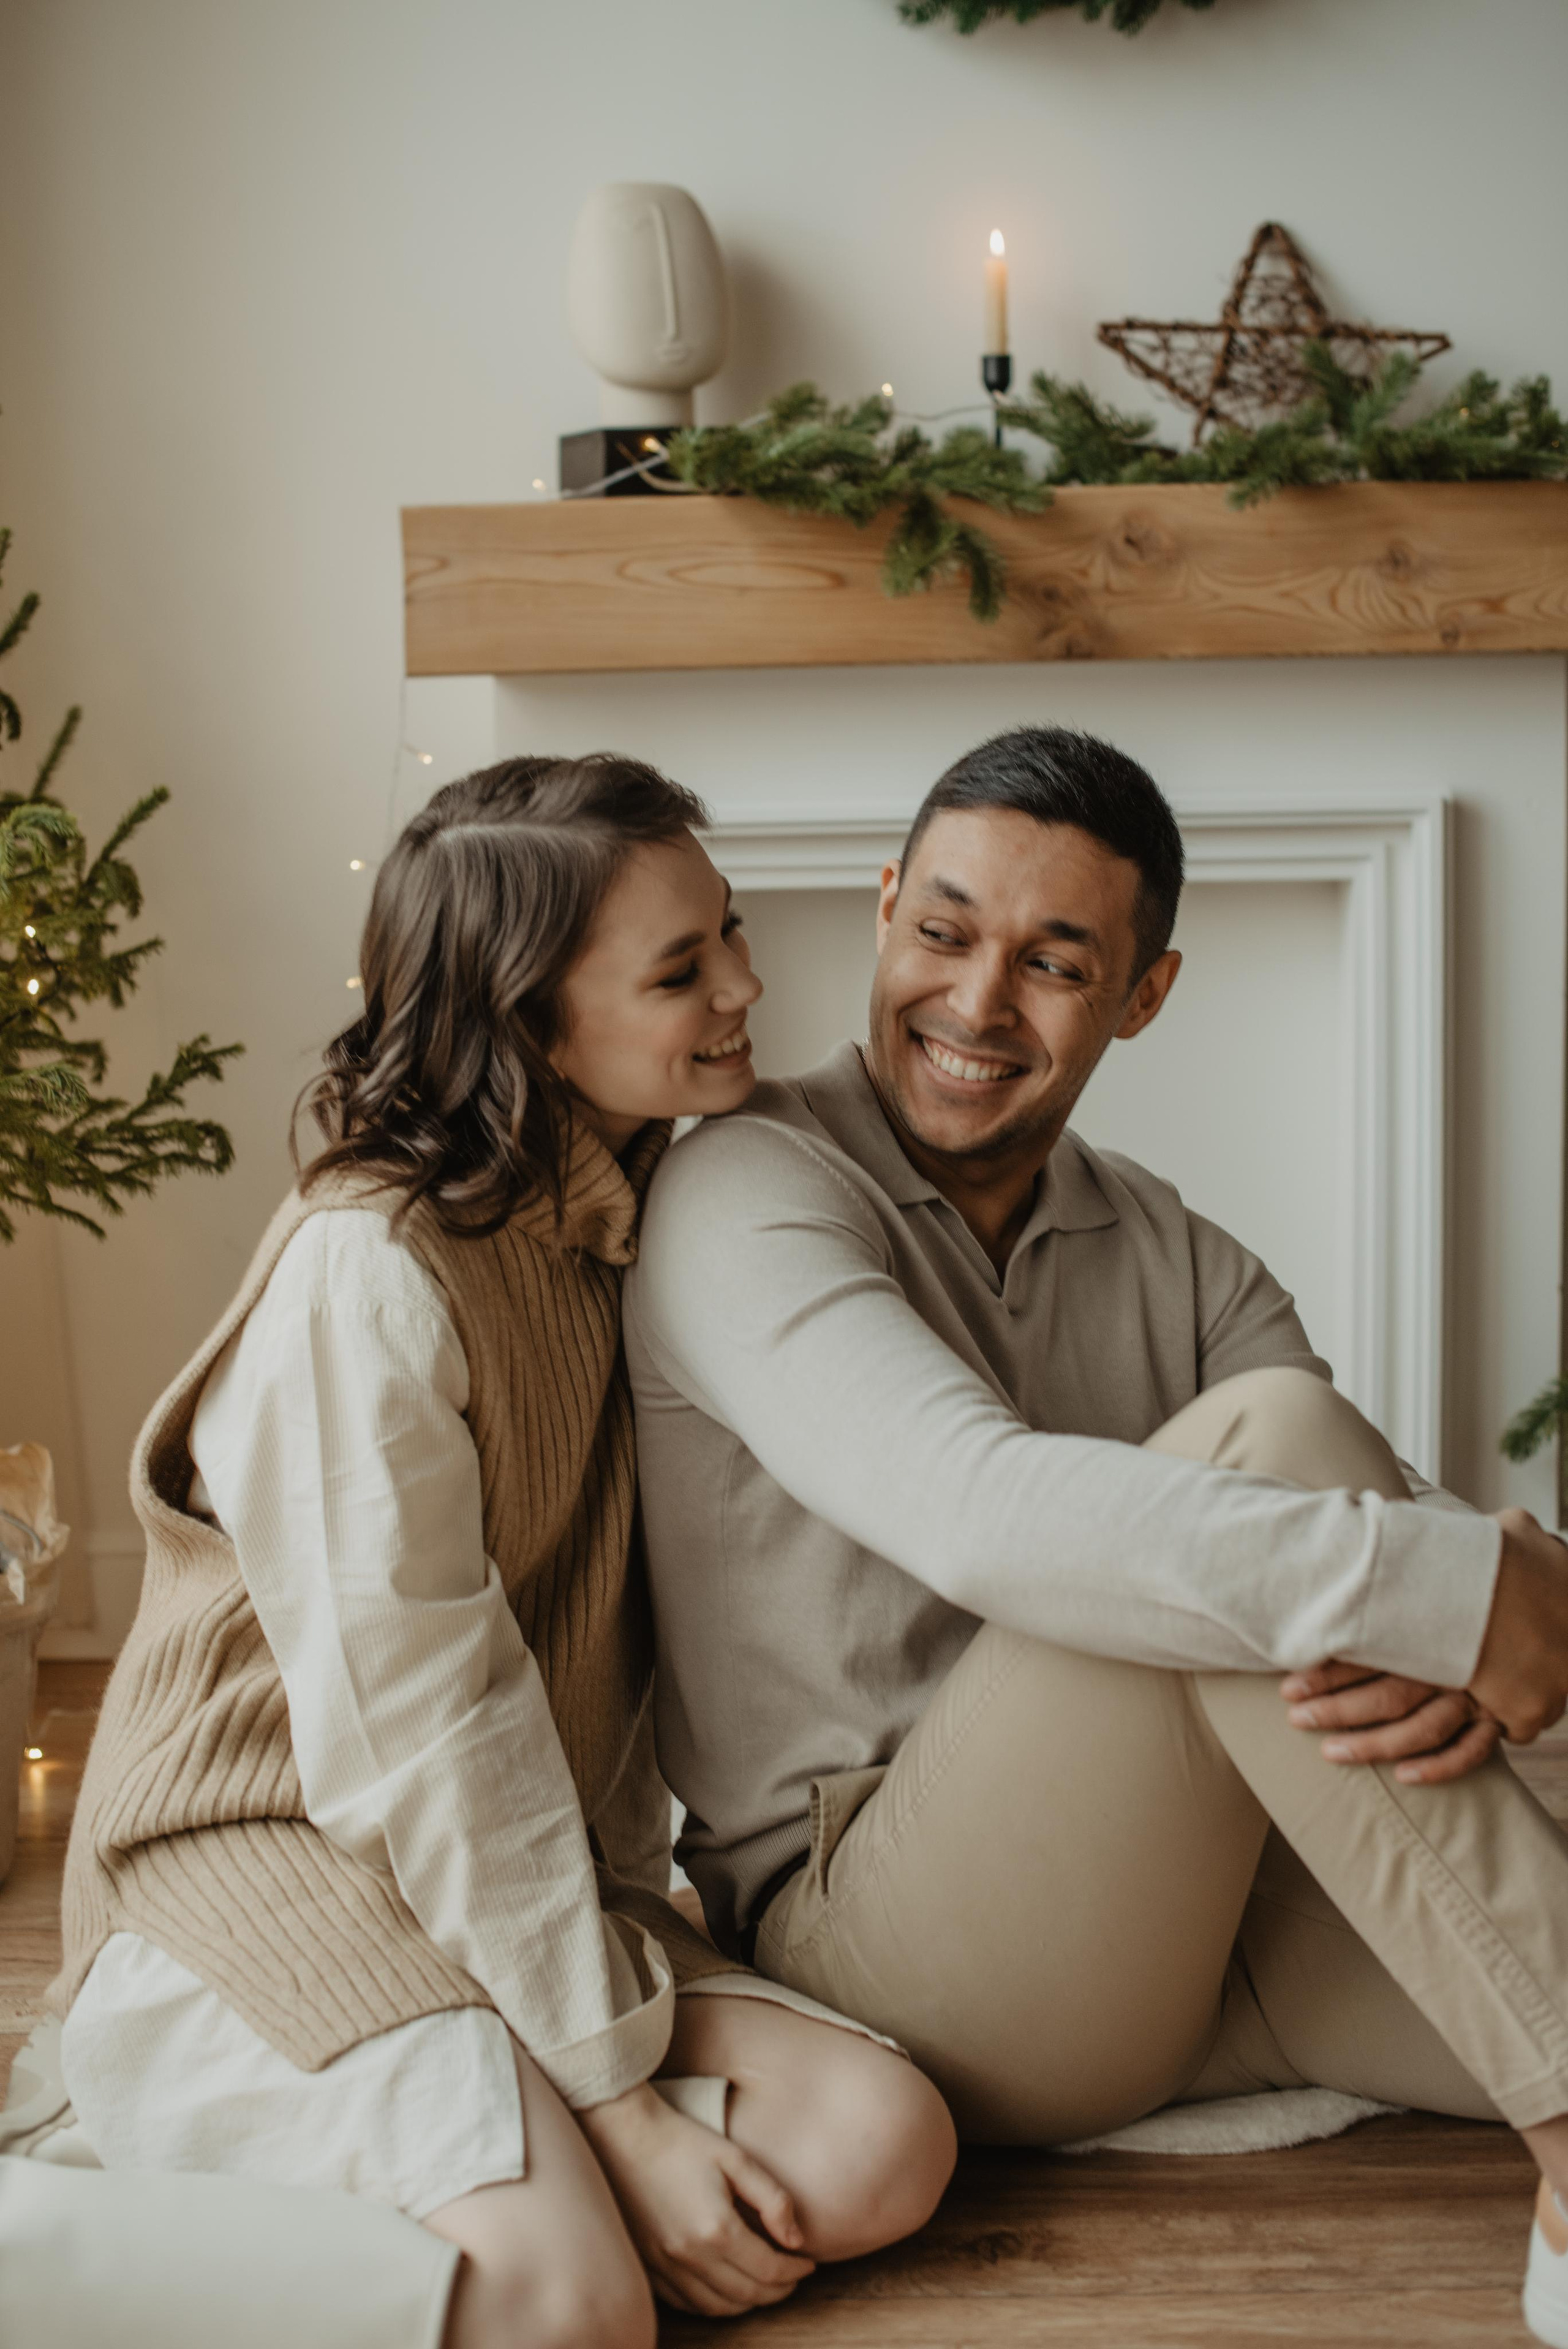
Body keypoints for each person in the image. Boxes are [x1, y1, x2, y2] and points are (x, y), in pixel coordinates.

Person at [624, 724, 1568, 2349]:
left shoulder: (1176, 1250)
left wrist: (1459, 1608)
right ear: (882, 913)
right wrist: (1478, 1583)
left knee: (1311, 1529)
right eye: (943, 931)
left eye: (1055, 962)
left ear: (1143, 994)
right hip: (890, 1949)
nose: (978, 1004)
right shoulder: (741, 1187)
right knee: (1258, 1465)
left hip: (1200, 1941)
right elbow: (978, 1509)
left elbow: (1380, 1545)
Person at [47, 755, 956, 2349]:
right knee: (566, 2303)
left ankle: (486, 2132)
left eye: (727, 931)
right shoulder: (366, 1275)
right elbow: (424, 1739)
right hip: (278, 1852)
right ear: (532, 1023)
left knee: (880, 2148)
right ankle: (49, 2238)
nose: (749, 982)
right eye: (682, 968)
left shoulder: (649, 1201)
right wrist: (623, 2109)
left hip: (492, 1861)